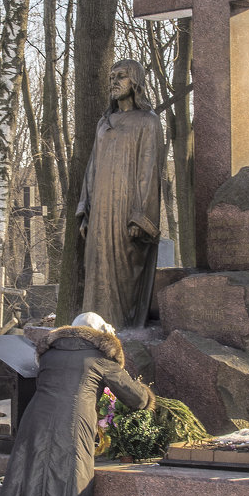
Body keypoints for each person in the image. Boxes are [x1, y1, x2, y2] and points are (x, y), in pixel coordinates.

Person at [0, 312, 155, 496]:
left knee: (32, 491)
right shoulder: (98, 357)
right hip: (71, 427)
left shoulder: (49, 354)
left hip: (34, 425)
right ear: (100, 335)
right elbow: (139, 400)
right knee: (62, 492)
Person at [76, 59, 165, 330]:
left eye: (121, 76)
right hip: (101, 209)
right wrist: (86, 209)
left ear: (135, 82)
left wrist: (141, 217)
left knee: (125, 272)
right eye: (112, 76)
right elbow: (92, 167)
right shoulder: (104, 123)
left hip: (127, 211)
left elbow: (149, 171)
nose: (114, 81)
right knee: (96, 272)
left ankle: (121, 331)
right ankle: (93, 330)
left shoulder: (147, 122)